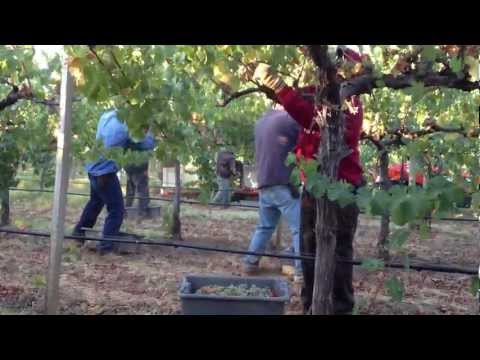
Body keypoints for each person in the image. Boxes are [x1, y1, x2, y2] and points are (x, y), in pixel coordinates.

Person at [248, 47, 365, 315]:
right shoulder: (322, 94)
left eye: (331, 70)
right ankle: (311, 307)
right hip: (314, 187)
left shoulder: (350, 102)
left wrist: (280, 86)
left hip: (342, 189)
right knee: (309, 252)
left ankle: (340, 309)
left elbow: (315, 117)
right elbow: (307, 102)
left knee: (338, 256)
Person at [72, 110, 150, 255]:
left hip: (93, 168)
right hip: (105, 173)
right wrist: (153, 136)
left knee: (95, 203)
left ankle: (78, 235)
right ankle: (105, 248)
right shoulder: (126, 128)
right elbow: (143, 144)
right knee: (117, 210)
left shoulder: (107, 116)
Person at [243, 105, 302, 279]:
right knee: (299, 227)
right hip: (282, 183)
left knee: (265, 226)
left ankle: (250, 263)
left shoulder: (260, 122)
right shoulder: (290, 120)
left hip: (264, 182)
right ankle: (301, 272)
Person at [124, 129, 156, 218]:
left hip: (128, 165)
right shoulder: (140, 135)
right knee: (142, 189)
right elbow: (149, 145)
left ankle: (126, 211)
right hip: (139, 166)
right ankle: (143, 212)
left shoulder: (127, 131)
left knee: (130, 190)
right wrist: (150, 133)